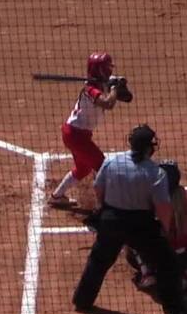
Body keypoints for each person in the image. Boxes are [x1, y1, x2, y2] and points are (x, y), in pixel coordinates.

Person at [72, 124, 187, 314]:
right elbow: (162, 207)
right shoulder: (156, 173)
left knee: (99, 260)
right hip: (141, 225)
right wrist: (163, 228)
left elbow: (98, 188)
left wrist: (105, 210)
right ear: (149, 148)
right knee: (167, 264)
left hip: (111, 221)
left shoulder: (112, 162)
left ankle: (82, 301)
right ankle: (177, 313)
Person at [50, 52, 132, 208]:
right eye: (107, 67)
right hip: (75, 135)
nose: (109, 70)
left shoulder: (101, 84)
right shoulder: (90, 89)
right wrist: (114, 88)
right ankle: (105, 206)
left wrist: (120, 85)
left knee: (83, 168)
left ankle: (57, 196)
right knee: (102, 166)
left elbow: (128, 98)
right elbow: (108, 104)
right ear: (101, 70)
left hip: (76, 134)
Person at [127, 161, 187, 290]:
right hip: (180, 258)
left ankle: (147, 274)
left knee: (129, 232)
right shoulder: (185, 196)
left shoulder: (145, 196)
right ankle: (185, 277)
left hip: (152, 256)